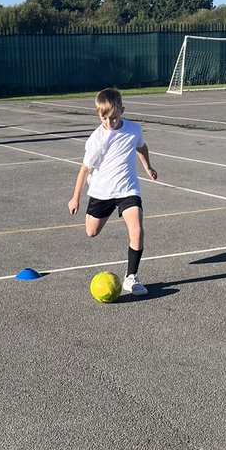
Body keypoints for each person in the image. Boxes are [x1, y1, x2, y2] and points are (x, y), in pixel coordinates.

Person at [68, 87, 158, 296]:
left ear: (122, 111)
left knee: (137, 230)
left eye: (114, 117)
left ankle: (131, 277)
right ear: (98, 115)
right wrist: (75, 198)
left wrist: (148, 167)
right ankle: (97, 213)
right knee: (91, 232)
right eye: (104, 118)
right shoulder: (96, 140)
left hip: (127, 189)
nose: (110, 122)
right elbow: (84, 169)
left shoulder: (134, 130)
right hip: (101, 191)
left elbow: (141, 148)